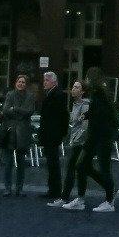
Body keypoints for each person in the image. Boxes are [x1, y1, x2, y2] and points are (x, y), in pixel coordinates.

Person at [63, 75, 116, 212]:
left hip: (98, 139)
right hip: (92, 139)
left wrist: (87, 117)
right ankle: (81, 199)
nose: (85, 80)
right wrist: (86, 116)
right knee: (81, 166)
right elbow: (94, 114)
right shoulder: (95, 98)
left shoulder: (98, 98)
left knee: (102, 168)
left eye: (87, 78)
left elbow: (103, 117)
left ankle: (110, 199)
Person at [49, 80, 90, 209]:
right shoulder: (75, 104)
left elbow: (84, 127)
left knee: (74, 169)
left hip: (80, 143)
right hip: (75, 141)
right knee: (75, 169)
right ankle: (69, 197)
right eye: (73, 87)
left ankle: (68, 198)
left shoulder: (85, 105)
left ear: (82, 91)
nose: (73, 89)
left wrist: (75, 140)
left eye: (77, 87)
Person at [0, 73, 35, 197]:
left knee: (21, 162)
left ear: (26, 84)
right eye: (19, 82)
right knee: (8, 162)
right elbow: (5, 110)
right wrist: (19, 112)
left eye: (23, 82)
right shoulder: (10, 94)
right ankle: (7, 187)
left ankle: (20, 188)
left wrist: (15, 109)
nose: (21, 84)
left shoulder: (30, 96)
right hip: (10, 130)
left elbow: (29, 111)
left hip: (23, 132)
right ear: (15, 83)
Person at [38, 70, 69, 201]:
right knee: (51, 163)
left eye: (47, 80)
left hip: (52, 134)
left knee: (53, 163)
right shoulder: (51, 94)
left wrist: (61, 133)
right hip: (50, 133)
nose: (44, 83)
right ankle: (53, 188)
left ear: (54, 82)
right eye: (44, 80)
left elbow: (61, 116)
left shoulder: (57, 95)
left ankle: (55, 190)